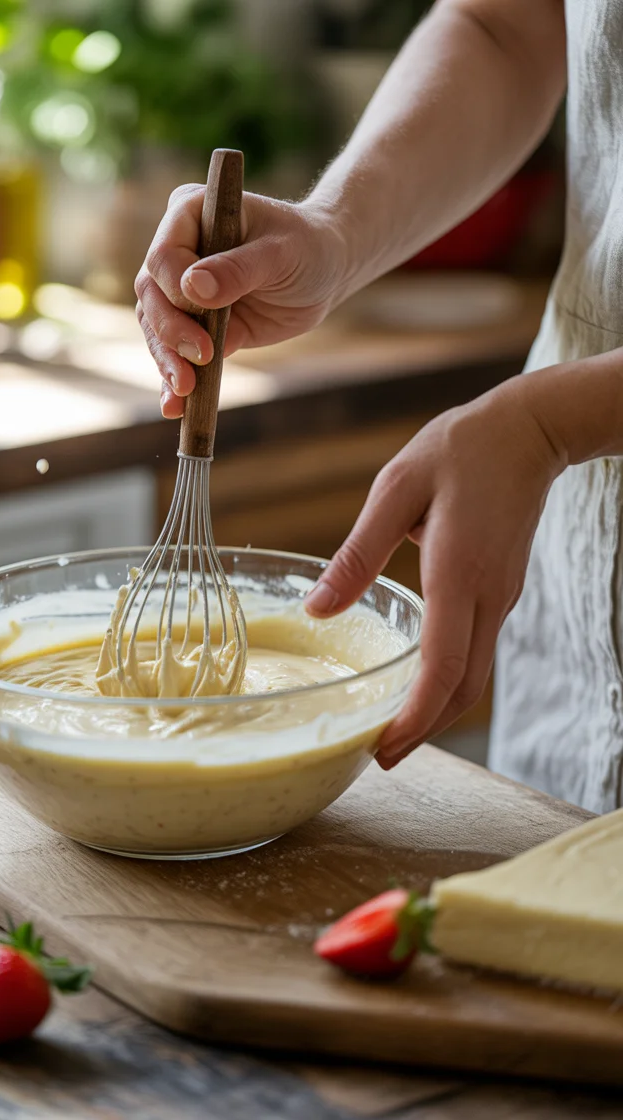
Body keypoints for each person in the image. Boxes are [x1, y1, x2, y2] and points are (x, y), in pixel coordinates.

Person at [134, 0, 623, 814]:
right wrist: (333, 235)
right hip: (574, 584)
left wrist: (553, 423)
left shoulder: (542, 427)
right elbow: (503, 27)